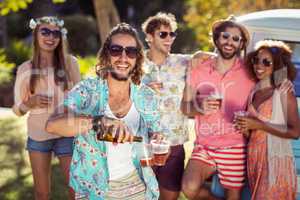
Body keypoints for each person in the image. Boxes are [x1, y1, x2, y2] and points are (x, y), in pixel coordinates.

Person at [45, 23, 161, 200]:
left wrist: (158, 141)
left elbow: (157, 133)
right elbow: (52, 125)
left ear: (137, 58)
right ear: (106, 54)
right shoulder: (87, 90)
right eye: (116, 50)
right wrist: (97, 121)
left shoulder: (147, 96)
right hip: (92, 188)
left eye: (130, 52)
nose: (123, 57)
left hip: (136, 186)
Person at [180, 15, 255, 200]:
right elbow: (184, 106)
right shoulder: (199, 68)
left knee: (233, 195)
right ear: (217, 38)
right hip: (204, 145)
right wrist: (199, 108)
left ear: (241, 44)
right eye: (225, 36)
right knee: (188, 188)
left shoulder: (250, 72)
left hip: (235, 146)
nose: (230, 42)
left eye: (235, 39)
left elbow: (274, 71)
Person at [12, 16, 80, 200]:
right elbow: (16, 110)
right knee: (42, 193)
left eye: (56, 33)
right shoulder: (25, 69)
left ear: (61, 37)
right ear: (36, 35)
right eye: (45, 31)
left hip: (67, 133)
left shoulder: (71, 63)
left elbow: (81, 99)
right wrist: (30, 103)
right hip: (38, 136)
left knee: (77, 190)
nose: (51, 37)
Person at [234, 40, 300, 200]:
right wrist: (246, 130)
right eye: (256, 60)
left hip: (275, 160)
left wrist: (258, 124)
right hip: (255, 158)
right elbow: (254, 132)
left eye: (266, 62)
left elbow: (295, 132)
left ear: (276, 65)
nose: (259, 65)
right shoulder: (254, 90)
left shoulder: (283, 92)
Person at [141, 12, 193, 200]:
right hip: (143, 143)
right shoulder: (135, 64)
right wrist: (141, 89)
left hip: (175, 143)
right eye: (163, 34)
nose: (169, 38)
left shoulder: (183, 62)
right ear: (149, 37)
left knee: (169, 196)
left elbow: (210, 59)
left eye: (172, 34)